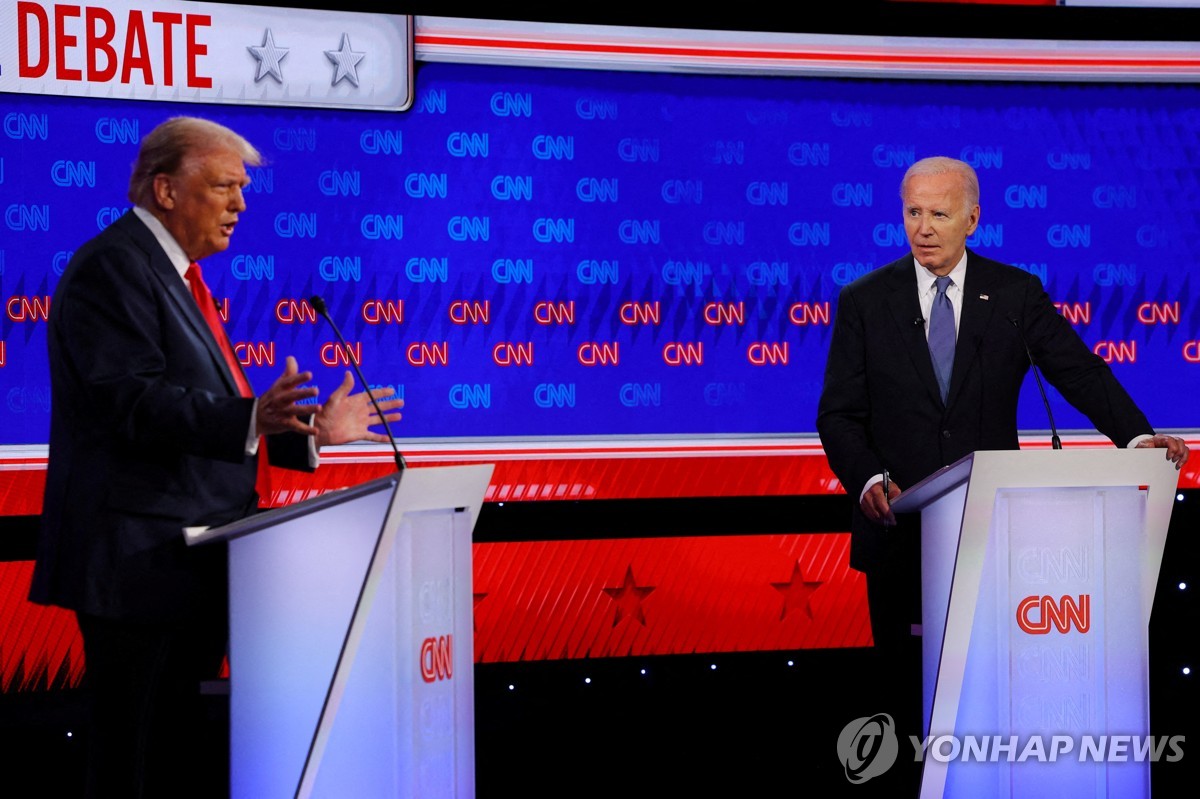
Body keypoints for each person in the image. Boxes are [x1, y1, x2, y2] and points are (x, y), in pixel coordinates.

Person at [27, 116, 404, 798]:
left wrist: (311, 432)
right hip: (137, 562)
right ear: (166, 189)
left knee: (172, 754)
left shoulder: (171, 274)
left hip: (186, 559)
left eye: (242, 189)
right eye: (226, 186)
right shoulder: (113, 268)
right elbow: (133, 402)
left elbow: (204, 417)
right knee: (132, 762)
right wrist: (251, 415)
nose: (241, 204)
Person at [816, 155, 1188, 790]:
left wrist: (1135, 435)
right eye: (913, 212)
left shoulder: (1013, 295)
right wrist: (871, 480)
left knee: (991, 696)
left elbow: (1078, 371)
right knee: (907, 707)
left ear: (973, 219)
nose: (923, 227)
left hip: (994, 536)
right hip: (901, 537)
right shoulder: (865, 302)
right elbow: (839, 416)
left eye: (939, 213)